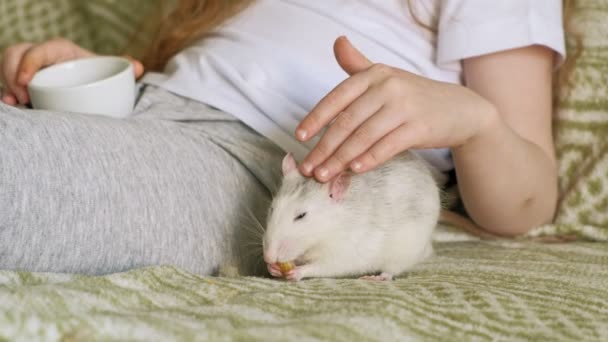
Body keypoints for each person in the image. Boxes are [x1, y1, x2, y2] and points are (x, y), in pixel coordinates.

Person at [0, 0, 567, 276]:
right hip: (145, 111)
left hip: (259, 159)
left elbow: (527, 200)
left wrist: (474, 121)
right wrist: (88, 77)